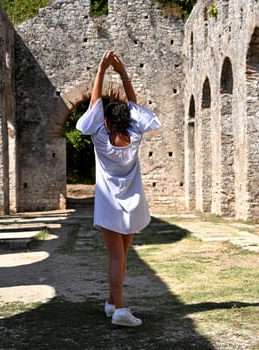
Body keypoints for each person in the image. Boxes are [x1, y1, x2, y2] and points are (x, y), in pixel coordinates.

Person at [76, 50, 161, 327]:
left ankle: (120, 309)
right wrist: (123, 73)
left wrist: (101, 70)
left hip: (110, 204)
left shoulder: (101, 137)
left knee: (115, 257)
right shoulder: (134, 135)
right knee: (121, 256)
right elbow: (134, 105)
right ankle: (113, 303)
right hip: (133, 203)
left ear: (108, 122)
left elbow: (94, 103)